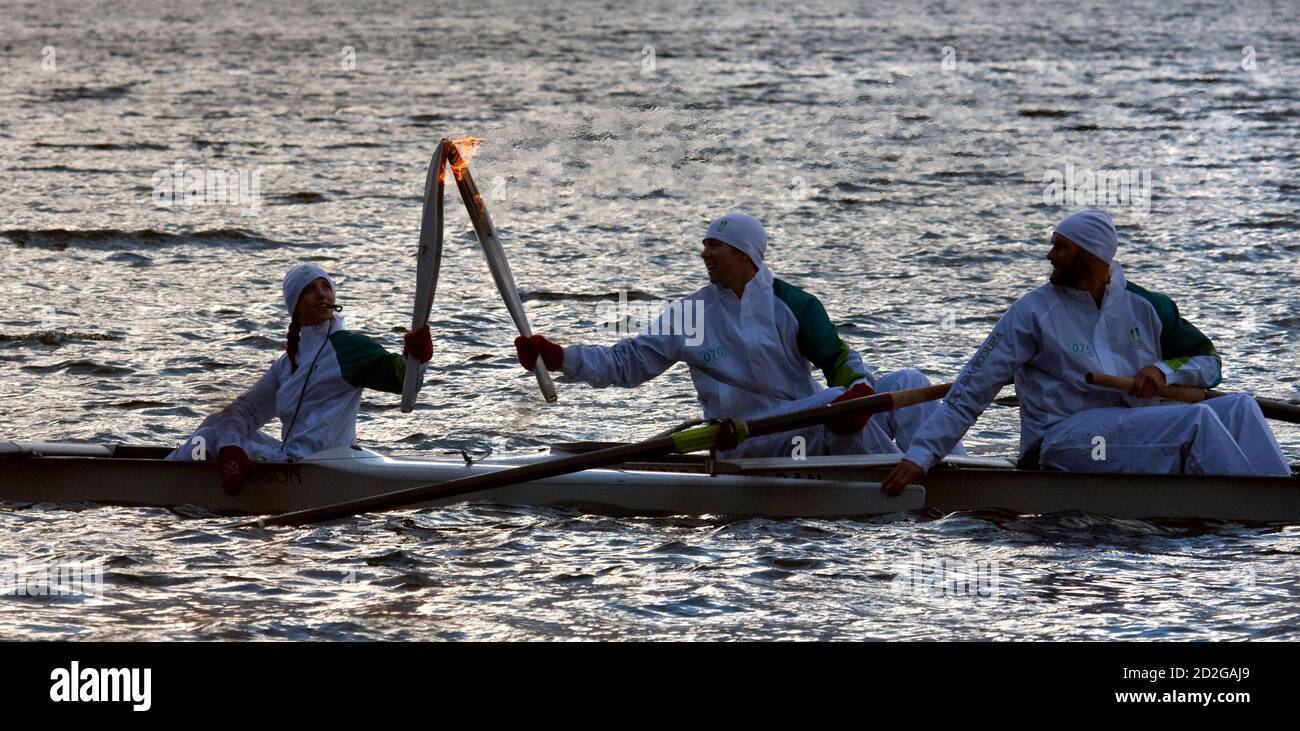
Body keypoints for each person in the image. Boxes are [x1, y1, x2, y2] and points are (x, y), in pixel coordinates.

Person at [881, 209, 1290, 495]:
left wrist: (1164, 372)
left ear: (1092, 256)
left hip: (1132, 430)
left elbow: (1209, 363)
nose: (1050, 254)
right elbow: (973, 389)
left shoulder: (1147, 307)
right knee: (1197, 421)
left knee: (1240, 406)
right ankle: (1252, 508)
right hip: (1059, 441)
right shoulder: (1032, 313)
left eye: (1060, 246)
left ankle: (1281, 495)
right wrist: (920, 456)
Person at [515, 212, 961, 459]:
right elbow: (625, 364)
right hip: (746, 438)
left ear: (744, 254)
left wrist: (861, 389)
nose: (703, 252)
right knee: (833, 405)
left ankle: (955, 467)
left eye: (714, 245)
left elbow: (839, 360)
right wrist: (558, 357)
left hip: (807, 424)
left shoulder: (794, 305)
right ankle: (899, 477)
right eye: (706, 244)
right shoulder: (692, 313)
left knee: (909, 382)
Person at [166, 263, 434, 494]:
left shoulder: (347, 346)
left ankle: (163, 479)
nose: (321, 294)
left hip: (328, 463)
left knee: (208, 437)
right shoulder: (287, 363)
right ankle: (191, 467)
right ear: (295, 305)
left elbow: (400, 380)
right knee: (216, 424)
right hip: (295, 462)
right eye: (310, 289)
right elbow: (243, 411)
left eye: (325, 287)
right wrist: (231, 448)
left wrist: (415, 357)